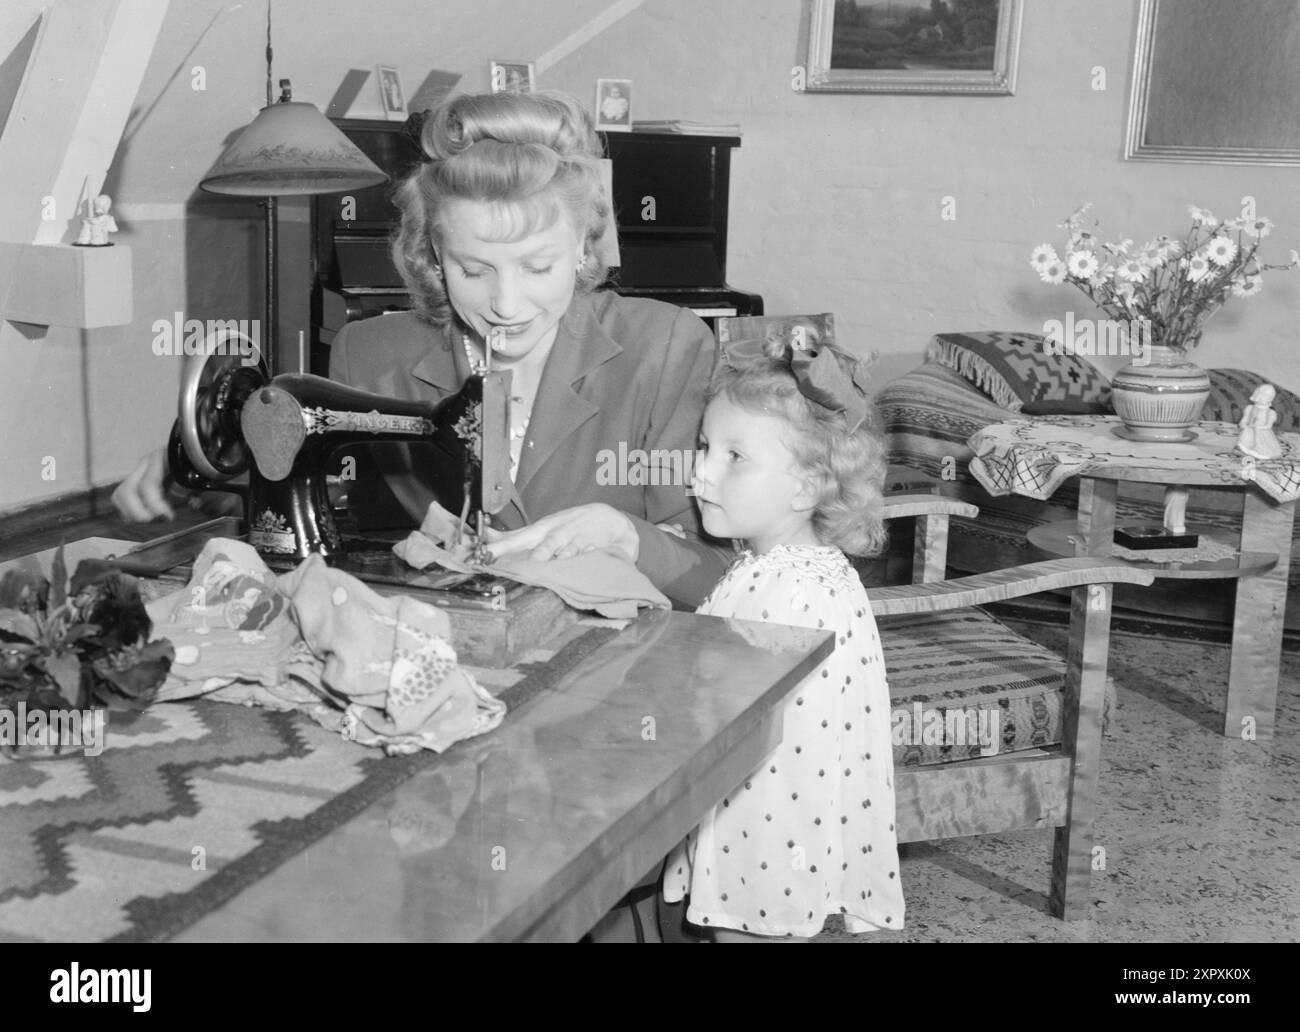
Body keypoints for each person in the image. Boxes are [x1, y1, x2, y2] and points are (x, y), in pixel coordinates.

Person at [112, 90, 729, 609]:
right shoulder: (371, 351)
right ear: (433, 257)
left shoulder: (664, 348)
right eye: (472, 268)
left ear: (583, 251)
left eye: (539, 267)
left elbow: (719, 575)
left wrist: (626, 535)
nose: (506, 305)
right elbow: (303, 460)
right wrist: (189, 459)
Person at [659, 336, 905, 940]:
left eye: (734, 457)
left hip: (763, 821)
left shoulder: (784, 589)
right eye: (704, 448)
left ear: (805, 488)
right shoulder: (808, 568)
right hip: (790, 819)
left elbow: (708, 703)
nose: (702, 472)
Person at [1236, 383, 1283, 461]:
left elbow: (1268, 426)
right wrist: (1243, 424)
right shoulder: (1249, 408)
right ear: (1258, 394)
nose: (1267, 398)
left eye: (1270, 396)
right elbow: (1245, 419)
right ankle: (1245, 452)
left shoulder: (1271, 413)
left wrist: (1258, 428)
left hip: (1262, 433)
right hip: (1249, 431)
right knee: (1244, 439)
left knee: (1261, 446)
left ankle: (1259, 455)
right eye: (1265, 395)